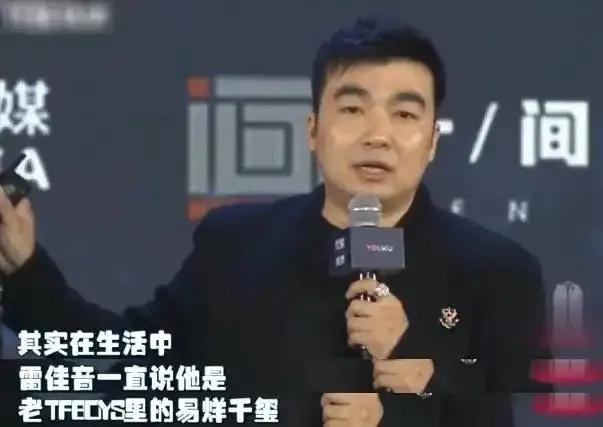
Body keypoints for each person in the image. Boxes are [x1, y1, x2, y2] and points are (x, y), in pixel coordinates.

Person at [0, 18, 551, 426]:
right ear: (313, 130)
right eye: (353, 108)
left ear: (431, 140)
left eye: (404, 114)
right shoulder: (235, 244)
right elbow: (128, 360)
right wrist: (25, 271)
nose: (378, 135)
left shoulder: (495, 272)